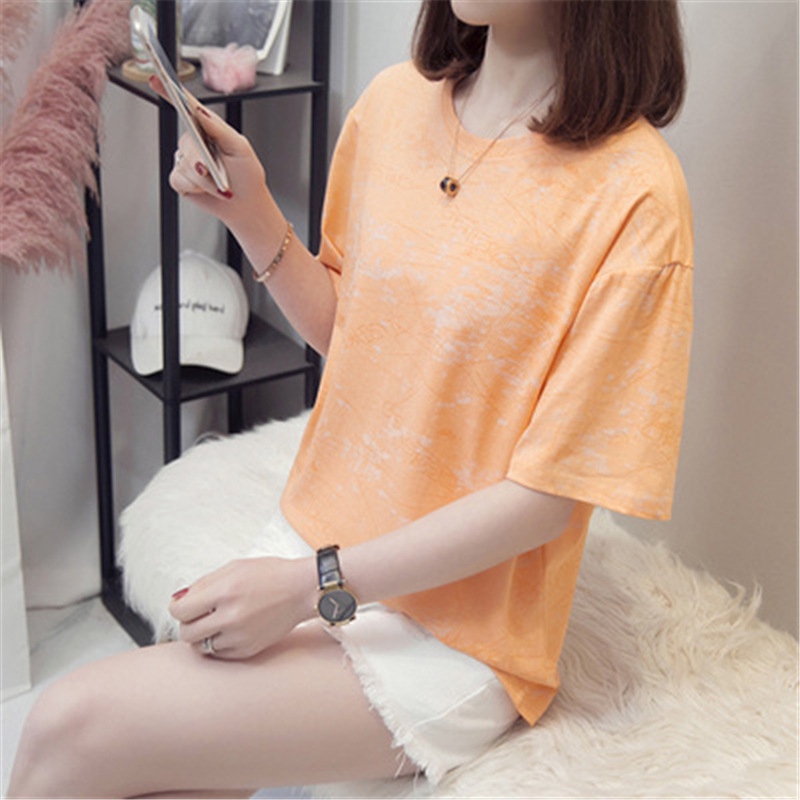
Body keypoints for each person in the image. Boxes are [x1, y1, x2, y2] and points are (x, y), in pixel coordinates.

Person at [8, 0, 693, 796]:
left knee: (67, 726)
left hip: (454, 637)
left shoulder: (636, 196)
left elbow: (544, 501)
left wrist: (312, 587)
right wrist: (251, 211)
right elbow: (350, 334)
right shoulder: (393, 104)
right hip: (311, 542)